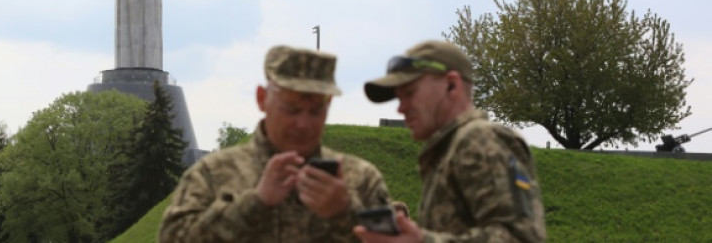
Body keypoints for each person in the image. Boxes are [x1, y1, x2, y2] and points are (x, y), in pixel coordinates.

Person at [159, 45, 394, 242]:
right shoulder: (211, 174)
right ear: (262, 99)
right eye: (291, 109)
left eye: (316, 111)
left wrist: (345, 212)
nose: (303, 124)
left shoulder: (360, 179)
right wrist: (255, 203)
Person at [357, 40, 546, 243]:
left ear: (451, 85)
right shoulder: (448, 151)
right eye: (399, 98)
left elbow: (520, 237)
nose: (401, 108)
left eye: (410, 93)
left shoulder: (478, 139)